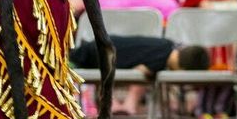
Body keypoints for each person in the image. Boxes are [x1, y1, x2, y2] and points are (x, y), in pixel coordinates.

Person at [70, 35, 210, 75]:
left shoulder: (166, 43)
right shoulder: (160, 62)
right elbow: (142, 70)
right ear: (183, 70)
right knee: (71, 63)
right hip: (100, 56)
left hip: (101, 43)